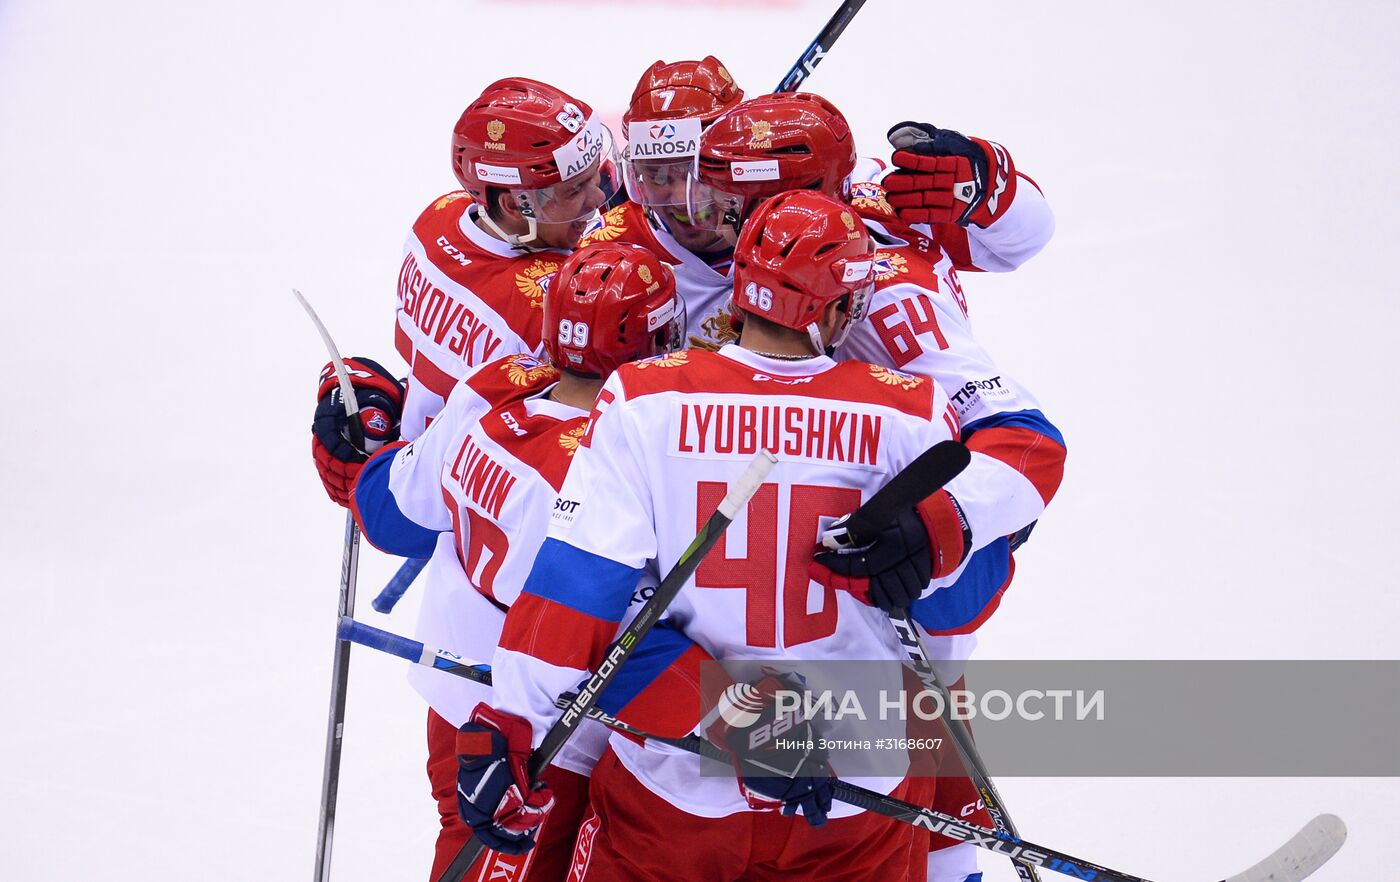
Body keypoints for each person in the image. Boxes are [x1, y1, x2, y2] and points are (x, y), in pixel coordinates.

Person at [460, 191, 1039, 881]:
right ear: (835, 308)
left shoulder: (643, 398)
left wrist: (513, 719)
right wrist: (958, 543)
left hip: (677, 783)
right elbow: (955, 613)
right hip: (855, 790)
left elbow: (581, 583)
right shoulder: (910, 410)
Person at [311, 242, 683, 880]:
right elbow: (623, 651)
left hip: (458, 707)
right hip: (539, 745)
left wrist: (368, 443)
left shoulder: (492, 391)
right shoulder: (604, 470)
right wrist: (783, 734)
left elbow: (394, 513)